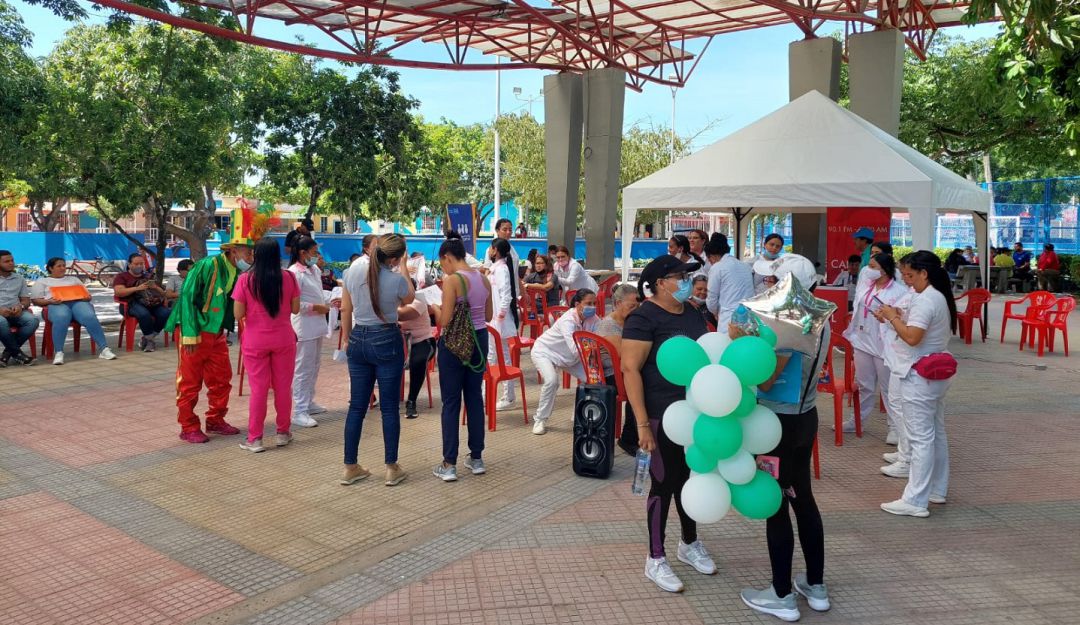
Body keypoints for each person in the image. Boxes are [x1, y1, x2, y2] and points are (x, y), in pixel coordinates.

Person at [735, 254, 829, 622]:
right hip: (805, 417)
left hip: (777, 426)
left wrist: (747, 342)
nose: (769, 286)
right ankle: (816, 587)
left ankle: (781, 594)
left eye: (775, 281)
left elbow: (767, 380)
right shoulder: (820, 314)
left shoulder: (788, 322)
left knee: (775, 504)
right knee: (802, 498)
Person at [621, 255, 715, 593]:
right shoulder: (643, 317)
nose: (687, 282)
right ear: (661, 282)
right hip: (661, 415)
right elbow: (630, 370)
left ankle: (689, 543)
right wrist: (642, 424)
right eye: (680, 277)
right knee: (664, 482)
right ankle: (655, 558)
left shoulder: (692, 313)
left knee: (690, 479)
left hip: (696, 413)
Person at [873, 251, 957, 518]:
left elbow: (912, 338)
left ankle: (916, 499)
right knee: (935, 434)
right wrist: (895, 315)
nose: (907, 281)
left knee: (921, 439)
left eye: (910, 275)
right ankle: (936, 489)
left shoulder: (926, 299)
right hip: (933, 373)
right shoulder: (935, 296)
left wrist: (893, 317)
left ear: (924, 273)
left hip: (919, 374)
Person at [166, 208, 260, 443]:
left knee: (221, 379)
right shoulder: (207, 265)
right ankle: (188, 426)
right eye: (248, 253)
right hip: (194, 331)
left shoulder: (238, 273)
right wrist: (189, 333)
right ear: (234, 251)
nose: (251, 259)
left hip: (216, 334)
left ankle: (216, 419)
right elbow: (187, 297)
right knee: (189, 382)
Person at [339, 233, 415, 487]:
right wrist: (403, 266)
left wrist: (347, 337)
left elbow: (346, 308)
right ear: (394, 258)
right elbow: (410, 297)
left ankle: (350, 466)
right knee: (389, 407)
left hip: (359, 337)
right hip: (386, 337)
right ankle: (391, 467)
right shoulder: (395, 280)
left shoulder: (351, 273)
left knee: (357, 407)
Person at [433, 232, 492, 481]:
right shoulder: (483, 279)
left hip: (455, 344)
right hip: (479, 339)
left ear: (447, 257)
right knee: (474, 399)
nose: (442, 268)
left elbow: (444, 320)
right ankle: (476, 458)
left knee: (451, 402)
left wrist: (434, 307)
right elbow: (487, 317)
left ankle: (449, 464)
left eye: (441, 263)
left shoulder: (452, 280)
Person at [233, 238, 301, 453]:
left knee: (259, 390)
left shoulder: (245, 279)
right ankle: (282, 432)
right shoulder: (289, 277)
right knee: (283, 387)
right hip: (283, 337)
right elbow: (296, 309)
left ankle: (255, 438)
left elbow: (238, 313)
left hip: (255, 341)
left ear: (256, 255)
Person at [841, 253, 909, 438]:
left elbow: (901, 316)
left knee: (888, 389)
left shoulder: (899, 291)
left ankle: (895, 428)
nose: (867, 270)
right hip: (863, 340)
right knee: (864, 385)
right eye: (868, 266)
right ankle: (857, 421)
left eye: (873, 267)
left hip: (884, 344)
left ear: (885, 270)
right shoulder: (866, 285)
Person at [528, 289, 600, 435]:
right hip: (545, 352)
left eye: (594, 303)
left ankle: (580, 413)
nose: (592, 307)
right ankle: (540, 419)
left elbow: (601, 338)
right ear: (578, 304)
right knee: (552, 381)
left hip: (571, 358)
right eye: (588, 303)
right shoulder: (568, 320)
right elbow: (576, 349)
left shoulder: (594, 319)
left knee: (595, 380)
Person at [30, 257, 117, 364]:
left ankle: (104, 349)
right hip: (55, 305)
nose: (63, 268)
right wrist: (50, 301)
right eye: (59, 266)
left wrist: (86, 297)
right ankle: (59, 352)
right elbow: (35, 301)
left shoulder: (73, 279)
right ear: (50, 268)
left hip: (77, 303)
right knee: (62, 316)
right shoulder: (42, 281)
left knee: (89, 316)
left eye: (64, 265)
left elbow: (88, 296)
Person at [288, 236, 331, 428]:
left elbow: (317, 293)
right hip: (303, 326)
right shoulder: (294, 273)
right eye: (314, 253)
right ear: (302, 253)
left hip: (316, 324)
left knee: (314, 366)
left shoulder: (313, 269)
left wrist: (329, 301)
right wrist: (316, 307)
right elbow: (293, 303)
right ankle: (299, 410)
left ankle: (309, 402)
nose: (317, 257)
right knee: (302, 369)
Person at [596, 283, 641, 456]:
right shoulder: (609, 325)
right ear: (617, 304)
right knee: (639, 385)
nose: (635, 310)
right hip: (611, 375)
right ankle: (629, 438)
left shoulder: (631, 322)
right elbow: (626, 355)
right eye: (631, 306)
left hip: (625, 370)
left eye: (637, 306)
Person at [487, 238, 521, 411]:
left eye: (491, 248)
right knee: (492, 357)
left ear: (496, 250)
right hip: (493, 320)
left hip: (498, 322)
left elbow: (506, 296)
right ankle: (488, 394)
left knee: (503, 358)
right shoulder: (494, 269)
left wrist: (498, 319)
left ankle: (508, 397)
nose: (489, 251)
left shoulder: (502, 270)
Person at [113, 253, 171, 352]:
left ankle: (148, 338)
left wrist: (155, 287)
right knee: (144, 314)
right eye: (136, 264)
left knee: (165, 313)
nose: (139, 266)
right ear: (129, 264)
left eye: (141, 264)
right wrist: (137, 288)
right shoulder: (122, 276)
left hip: (150, 302)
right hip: (130, 303)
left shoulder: (148, 276)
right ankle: (150, 341)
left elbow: (164, 294)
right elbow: (119, 292)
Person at [399, 279, 439, 419]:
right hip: (401, 342)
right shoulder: (393, 302)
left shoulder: (419, 301)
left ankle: (411, 401)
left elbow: (403, 314)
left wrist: (383, 307)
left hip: (423, 341)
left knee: (418, 361)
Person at [706, 233, 755, 327]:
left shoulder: (717, 267)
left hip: (728, 317)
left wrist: (715, 312)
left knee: (727, 341)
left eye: (710, 260)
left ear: (712, 256)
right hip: (748, 314)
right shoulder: (745, 266)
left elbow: (712, 297)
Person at [0, 250, 39, 366]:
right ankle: (17, 354)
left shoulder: (19, 278)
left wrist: (21, 306)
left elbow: (26, 300)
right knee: (1, 322)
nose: (11, 263)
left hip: (15, 312)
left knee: (32, 321)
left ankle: (7, 354)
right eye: (6, 261)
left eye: (12, 260)